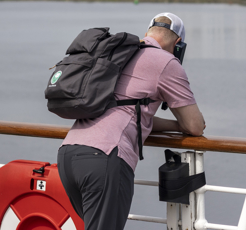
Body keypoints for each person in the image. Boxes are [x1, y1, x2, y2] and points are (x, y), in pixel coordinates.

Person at [57, 12, 206, 230]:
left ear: (147, 34)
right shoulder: (166, 62)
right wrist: (181, 125)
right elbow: (195, 126)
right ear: (178, 43)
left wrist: (172, 125)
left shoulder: (119, 53)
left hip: (69, 155)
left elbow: (130, 113)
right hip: (105, 158)